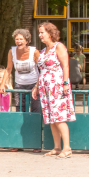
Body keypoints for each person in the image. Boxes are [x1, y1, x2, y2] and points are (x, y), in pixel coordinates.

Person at [33, 22, 75, 158]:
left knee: (59, 117)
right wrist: (36, 86)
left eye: (42, 32)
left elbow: (66, 66)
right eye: (39, 33)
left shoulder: (59, 47)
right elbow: (42, 70)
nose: (40, 35)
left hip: (56, 86)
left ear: (50, 33)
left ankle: (67, 148)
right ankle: (57, 147)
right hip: (45, 88)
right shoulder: (43, 51)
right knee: (51, 118)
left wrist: (65, 83)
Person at [0, 29, 41, 113]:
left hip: (33, 83)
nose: (18, 41)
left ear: (27, 41)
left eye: (21, 39)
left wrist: (37, 85)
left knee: (35, 109)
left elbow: (42, 69)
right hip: (19, 84)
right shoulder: (12, 52)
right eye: (16, 39)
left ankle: (35, 125)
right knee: (19, 109)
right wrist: (2, 84)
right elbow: (8, 69)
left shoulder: (34, 52)